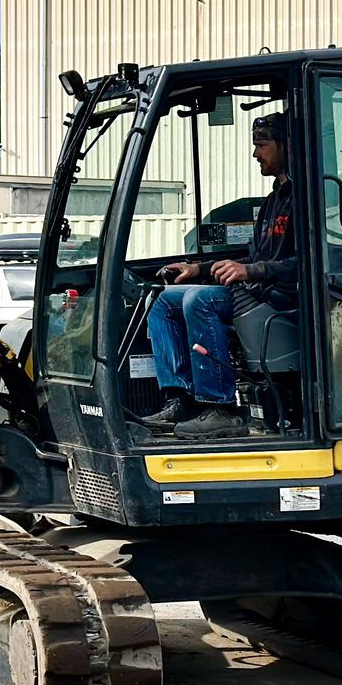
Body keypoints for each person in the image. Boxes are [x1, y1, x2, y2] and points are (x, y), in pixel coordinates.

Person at [140, 112, 296, 441]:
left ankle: (220, 407)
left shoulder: (307, 199)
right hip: (257, 290)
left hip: (284, 297)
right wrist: (199, 269)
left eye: (263, 145)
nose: (256, 154)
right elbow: (252, 257)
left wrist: (251, 271)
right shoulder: (271, 203)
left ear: (287, 146)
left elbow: (308, 262)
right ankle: (181, 398)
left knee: (200, 300)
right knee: (164, 301)